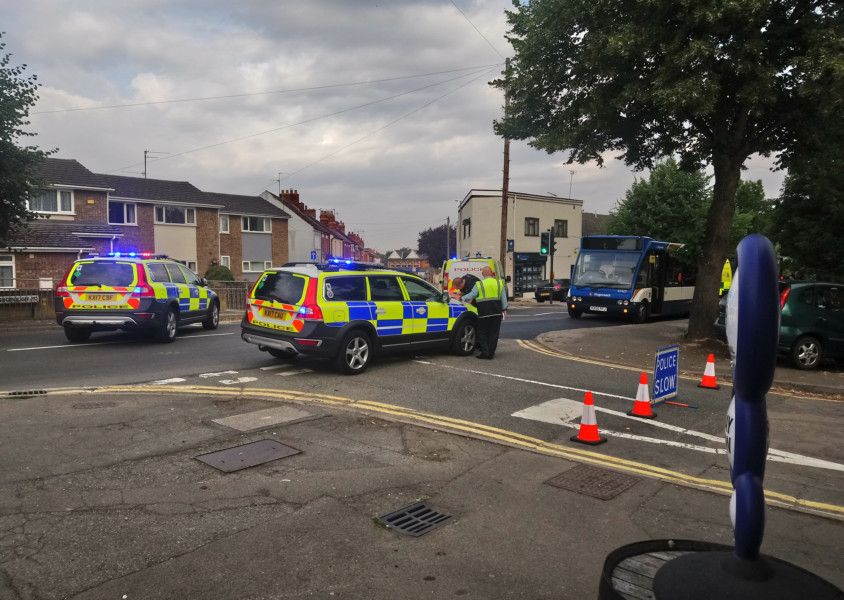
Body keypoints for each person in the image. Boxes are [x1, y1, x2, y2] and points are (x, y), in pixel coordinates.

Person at [461, 266, 507, 359]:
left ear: (483, 274)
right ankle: (491, 353)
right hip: (496, 312)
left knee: (483, 333)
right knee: (494, 333)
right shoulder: (499, 283)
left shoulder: (479, 284)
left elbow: (472, 295)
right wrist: (504, 308)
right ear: (491, 273)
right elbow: (504, 299)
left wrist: (461, 298)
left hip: (484, 312)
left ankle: (485, 353)